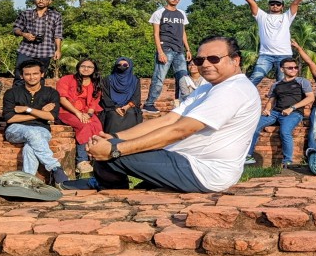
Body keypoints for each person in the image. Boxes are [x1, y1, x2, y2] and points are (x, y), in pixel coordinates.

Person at [60, 36, 261, 193]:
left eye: (214, 58)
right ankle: (114, 186)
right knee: (107, 145)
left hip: (204, 170)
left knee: (110, 156)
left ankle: (111, 189)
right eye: (200, 60)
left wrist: (115, 149)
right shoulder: (208, 88)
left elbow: (180, 130)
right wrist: (114, 137)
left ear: (235, 60)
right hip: (182, 159)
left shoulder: (233, 89)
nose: (206, 64)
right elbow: (169, 119)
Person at [233, 0, 311, 86]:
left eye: (278, 4)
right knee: (255, 78)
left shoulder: (287, 17)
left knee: (283, 83)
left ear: (282, 7)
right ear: (269, 6)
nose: (275, 6)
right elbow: (251, 1)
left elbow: (296, 2)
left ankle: (280, 98)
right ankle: (242, 95)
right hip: (266, 55)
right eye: (272, 4)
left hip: (284, 55)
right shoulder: (262, 16)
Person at [3, 59, 69, 185]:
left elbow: (51, 117)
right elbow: (10, 118)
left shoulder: (51, 93)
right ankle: (55, 168)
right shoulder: (12, 93)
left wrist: (27, 109)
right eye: (27, 74)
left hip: (42, 130)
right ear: (22, 76)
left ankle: (27, 181)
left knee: (29, 148)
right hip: (15, 129)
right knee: (32, 132)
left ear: (42, 74)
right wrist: (40, 113)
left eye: (35, 73)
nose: (31, 77)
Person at [245, 57, 314, 167]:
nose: (294, 70)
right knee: (254, 125)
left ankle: (287, 161)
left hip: (294, 113)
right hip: (275, 112)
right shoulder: (276, 85)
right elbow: (271, 101)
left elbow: (310, 97)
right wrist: (267, 109)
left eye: (295, 67)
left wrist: (292, 108)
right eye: (290, 68)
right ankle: (248, 155)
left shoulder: (302, 81)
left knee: (285, 131)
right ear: (282, 69)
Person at [142, 0, 192, 114]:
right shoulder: (159, 13)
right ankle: (149, 104)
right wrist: (160, 52)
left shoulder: (181, 13)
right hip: (166, 49)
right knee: (159, 78)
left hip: (179, 50)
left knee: (183, 79)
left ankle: (185, 104)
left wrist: (188, 49)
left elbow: (183, 33)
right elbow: (156, 34)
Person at [56, 58, 105, 176]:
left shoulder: (95, 83)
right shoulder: (66, 79)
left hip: (86, 112)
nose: (86, 69)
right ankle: (82, 161)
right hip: (67, 111)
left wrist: (89, 114)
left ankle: (96, 159)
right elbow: (62, 98)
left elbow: (94, 102)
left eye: (89, 67)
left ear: (94, 69)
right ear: (78, 67)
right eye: (83, 66)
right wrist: (77, 113)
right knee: (84, 126)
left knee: (97, 127)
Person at [12, 0, 62, 85]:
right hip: (26, 49)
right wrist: (24, 34)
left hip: (45, 51)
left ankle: (37, 95)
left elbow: (58, 34)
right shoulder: (25, 13)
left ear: (50, 1)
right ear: (34, 0)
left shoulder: (56, 16)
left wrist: (58, 50)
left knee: (40, 77)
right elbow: (16, 29)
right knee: (20, 75)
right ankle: (17, 94)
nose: (41, 1)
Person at [99, 57, 142, 136]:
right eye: (119, 65)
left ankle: (131, 139)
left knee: (131, 113)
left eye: (125, 65)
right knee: (113, 115)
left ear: (130, 66)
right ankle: (111, 139)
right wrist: (115, 107)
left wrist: (127, 107)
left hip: (128, 105)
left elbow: (136, 96)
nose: (122, 66)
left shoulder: (135, 80)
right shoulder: (108, 79)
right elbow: (105, 96)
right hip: (111, 106)